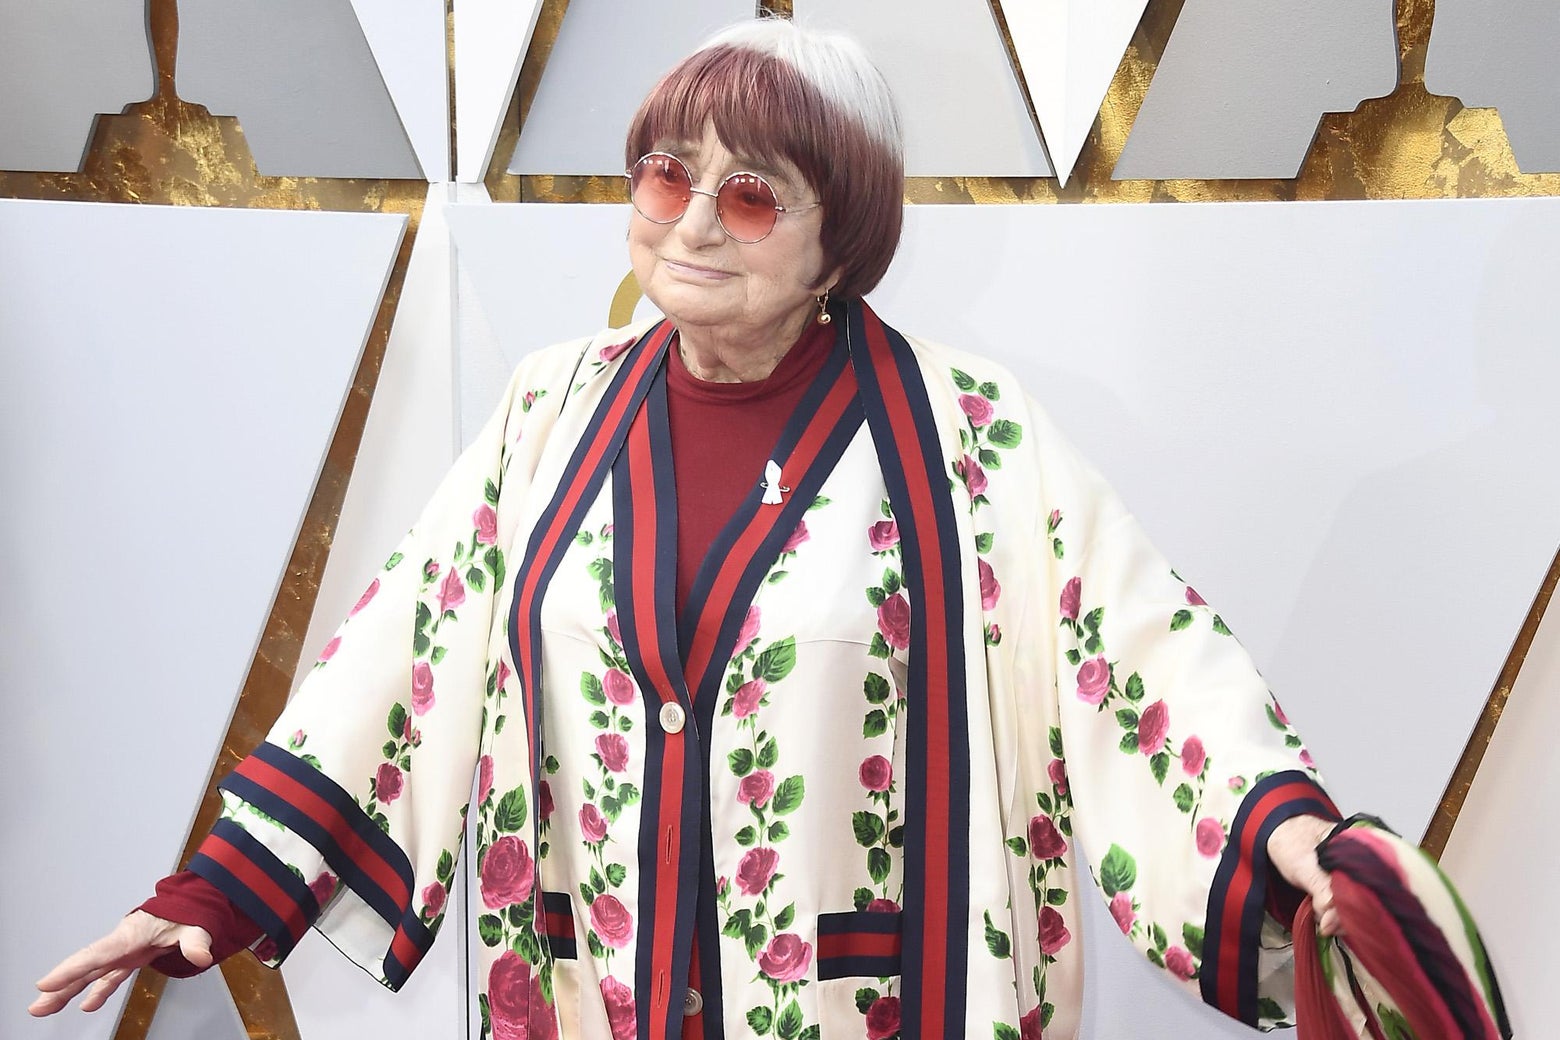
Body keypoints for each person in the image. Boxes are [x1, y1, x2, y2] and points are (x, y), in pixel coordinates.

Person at [31, 18, 1420, 1040]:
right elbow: (406, 648)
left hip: (875, 1005)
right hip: (597, 996)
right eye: (662, 174)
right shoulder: (547, 413)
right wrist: (213, 893)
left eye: (750, 192)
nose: (692, 220)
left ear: (841, 234)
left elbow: (1137, 661)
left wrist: (1286, 838)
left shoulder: (967, 437)